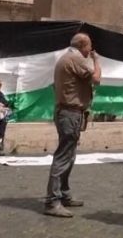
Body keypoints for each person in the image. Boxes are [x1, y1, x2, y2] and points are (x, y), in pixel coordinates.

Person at [44, 33, 101, 218]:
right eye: (89, 46)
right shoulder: (75, 58)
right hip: (69, 113)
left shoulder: (65, 58)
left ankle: (63, 194)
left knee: (69, 156)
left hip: (67, 112)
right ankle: (52, 201)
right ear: (83, 45)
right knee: (63, 157)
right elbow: (96, 78)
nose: (91, 49)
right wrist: (96, 60)